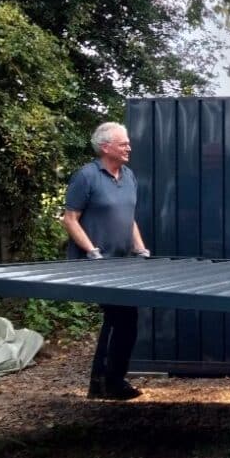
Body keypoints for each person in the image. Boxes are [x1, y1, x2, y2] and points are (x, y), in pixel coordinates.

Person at [61, 122, 151, 401]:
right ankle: (107, 383)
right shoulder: (87, 177)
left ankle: (105, 383)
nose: (129, 147)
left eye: (128, 143)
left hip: (122, 263)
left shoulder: (129, 176)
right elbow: (70, 219)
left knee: (123, 318)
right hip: (96, 263)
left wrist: (140, 247)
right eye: (123, 144)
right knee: (121, 316)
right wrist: (92, 251)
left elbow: (129, 217)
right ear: (105, 147)